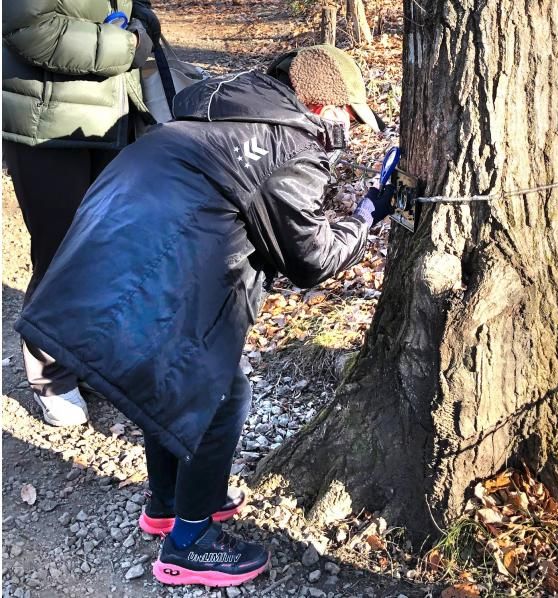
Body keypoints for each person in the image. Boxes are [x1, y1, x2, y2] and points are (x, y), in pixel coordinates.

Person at [16, 45, 396, 587]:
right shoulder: (287, 146)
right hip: (159, 263)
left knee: (173, 383)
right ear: (319, 106)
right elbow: (311, 261)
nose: (350, 130)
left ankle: (169, 502)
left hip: (127, 244)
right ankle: (190, 542)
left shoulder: (231, 107)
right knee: (217, 394)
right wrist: (369, 210)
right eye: (348, 117)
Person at [2, 0, 161, 426]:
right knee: (61, 254)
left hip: (110, 117)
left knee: (109, 247)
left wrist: (143, 24)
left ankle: (93, 360)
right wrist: (126, 46)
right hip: (45, 124)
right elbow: (29, 26)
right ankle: (51, 374)